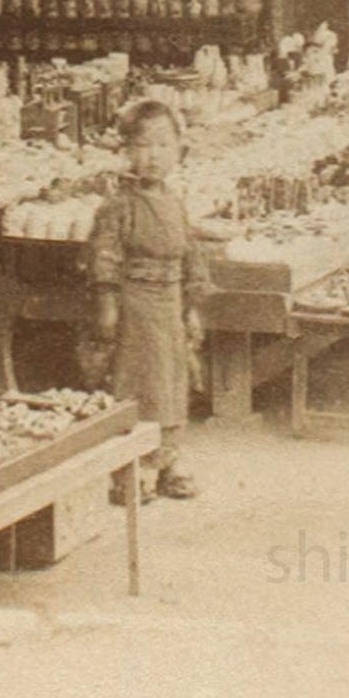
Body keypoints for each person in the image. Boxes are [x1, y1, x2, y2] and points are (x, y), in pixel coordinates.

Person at [89, 95, 201, 501]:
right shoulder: (118, 205)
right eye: (143, 145)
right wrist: (108, 306)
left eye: (163, 145)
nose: (153, 156)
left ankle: (170, 460)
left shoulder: (175, 202)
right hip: (135, 304)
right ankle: (131, 470)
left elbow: (190, 254)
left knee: (174, 381)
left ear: (179, 151)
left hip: (170, 303)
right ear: (126, 151)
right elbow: (105, 256)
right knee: (138, 382)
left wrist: (191, 308)